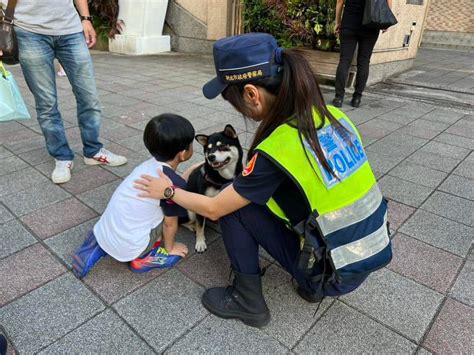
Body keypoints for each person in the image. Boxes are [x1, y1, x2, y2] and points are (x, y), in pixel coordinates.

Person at [134, 33, 392, 328]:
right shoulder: (332, 115)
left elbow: (216, 209)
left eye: (234, 102)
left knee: (234, 205)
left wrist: (167, 189)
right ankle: (310, 285)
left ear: (252, 94)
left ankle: (248, 302)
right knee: (257, 194)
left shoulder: (278, 147)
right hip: (366, 255)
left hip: (333, 272)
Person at [0, 0, 127, 184]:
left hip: (71, 29)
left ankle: (93, 151)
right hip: (28, 32)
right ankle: (62, 157)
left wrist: (85, 18)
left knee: (89, 97)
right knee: (46, 103)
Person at [72, 114, 192, 279]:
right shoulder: (173, 185)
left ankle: (97, 245)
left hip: (104, 230)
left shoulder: (146, 166)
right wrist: (171, 248)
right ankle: (143, 258)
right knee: (168, 216)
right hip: (132, 245)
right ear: (183, 154)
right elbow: (170, 225)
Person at [332, 0, 392, 108]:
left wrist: (337, 22)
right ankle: (357, 98)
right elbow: (388, 2)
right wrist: (384, 20)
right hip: (371, 24)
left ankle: (338, 98)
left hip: (349, 23)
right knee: (364, 61)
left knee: (345, 60)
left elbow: (340, 1)